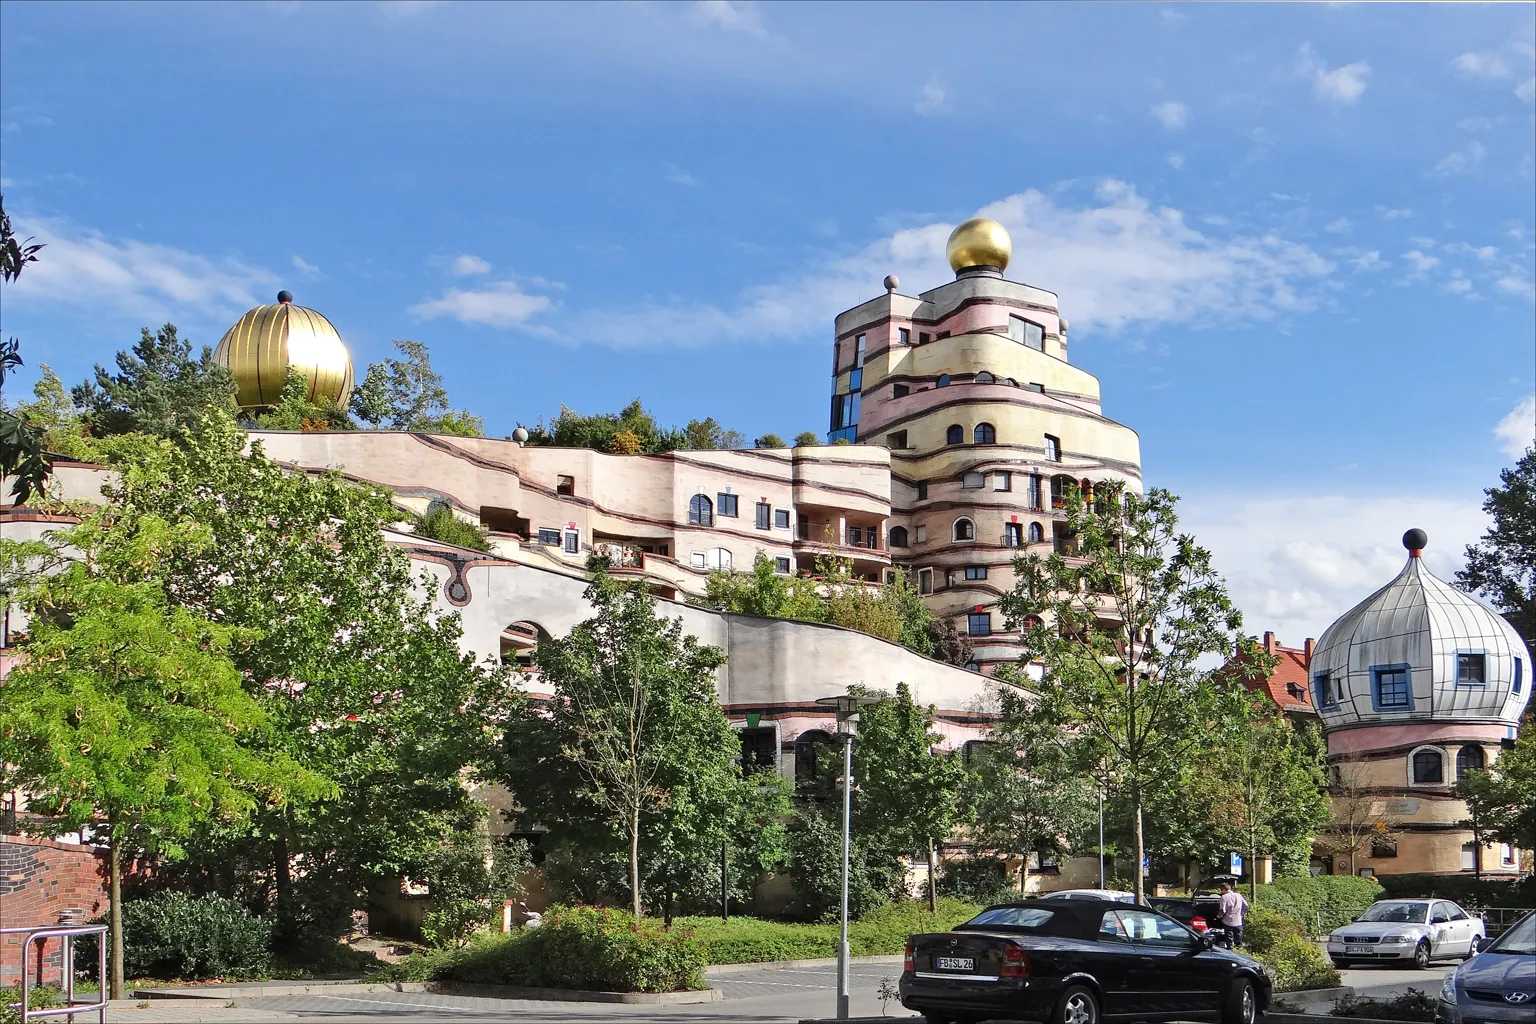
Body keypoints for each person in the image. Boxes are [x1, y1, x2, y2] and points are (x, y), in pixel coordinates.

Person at [1217, 881, 1249, 948]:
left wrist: (1218, 917)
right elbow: (1246, 906)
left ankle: (1231, 952)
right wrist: (1241, 913)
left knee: (1229, 941)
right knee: (1239, 940)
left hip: (1228, 921)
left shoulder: (1224, 897)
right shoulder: (1238, 895)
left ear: (1223, 889)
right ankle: (1240, 951)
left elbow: (1222, 910)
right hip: (1238, 921)